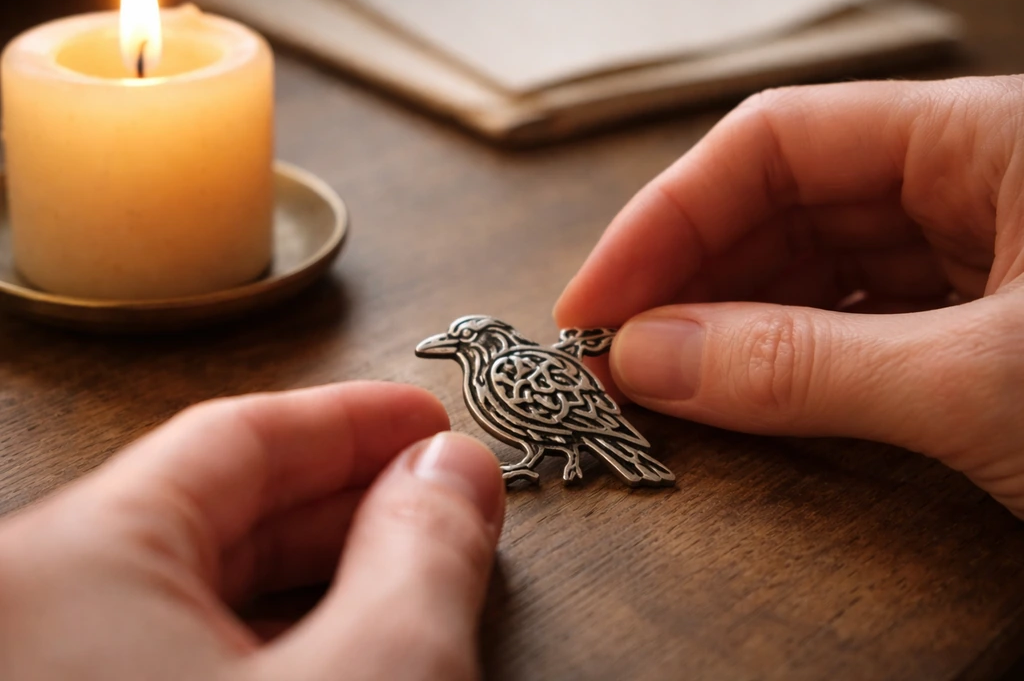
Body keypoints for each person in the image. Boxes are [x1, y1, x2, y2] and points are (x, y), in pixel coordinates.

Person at [0, 76, 1021, 678]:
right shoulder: (500, 375)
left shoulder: (526, 375)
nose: (463, 356)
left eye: (469, 343)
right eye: (463, 347)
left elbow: (565, 405)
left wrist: (597, 427)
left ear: (489, 343)